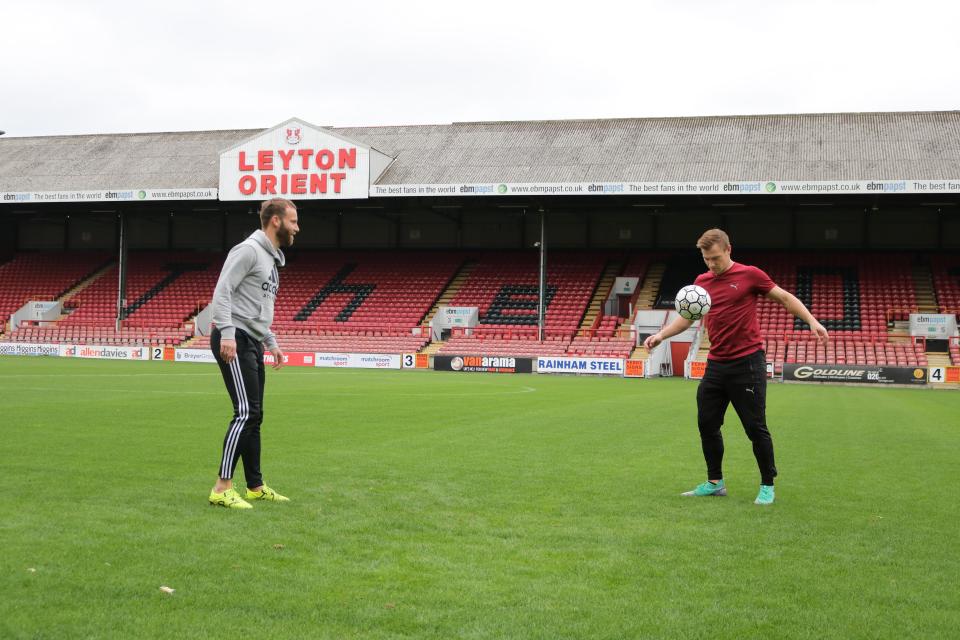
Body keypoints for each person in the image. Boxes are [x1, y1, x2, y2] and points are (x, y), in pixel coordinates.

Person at [643, 229, 828, 505]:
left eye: (715, 258)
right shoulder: (701, 283)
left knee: (755, 428)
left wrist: (812, 321)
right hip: (716, 365)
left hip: (748, 364)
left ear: (729, 249)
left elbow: (785, 298)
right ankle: (715, 482)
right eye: (706, 259)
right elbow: (686, 319)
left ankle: (767, 485)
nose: (711, 264)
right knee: (707, 423)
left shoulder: (750, 274)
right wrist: (661, 335)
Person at [207, 197, 299, 509]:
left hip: (252, 339)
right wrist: (228, 333)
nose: (296, 228)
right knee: (245, 412)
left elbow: (256, 309)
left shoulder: (271, 260)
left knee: (255, 416)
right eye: (293, 221)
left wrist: (271, 343)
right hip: (234, 337)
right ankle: (221, 488)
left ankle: (255, 486)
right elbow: (223, 291)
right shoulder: (248, 250)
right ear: (276, 221)